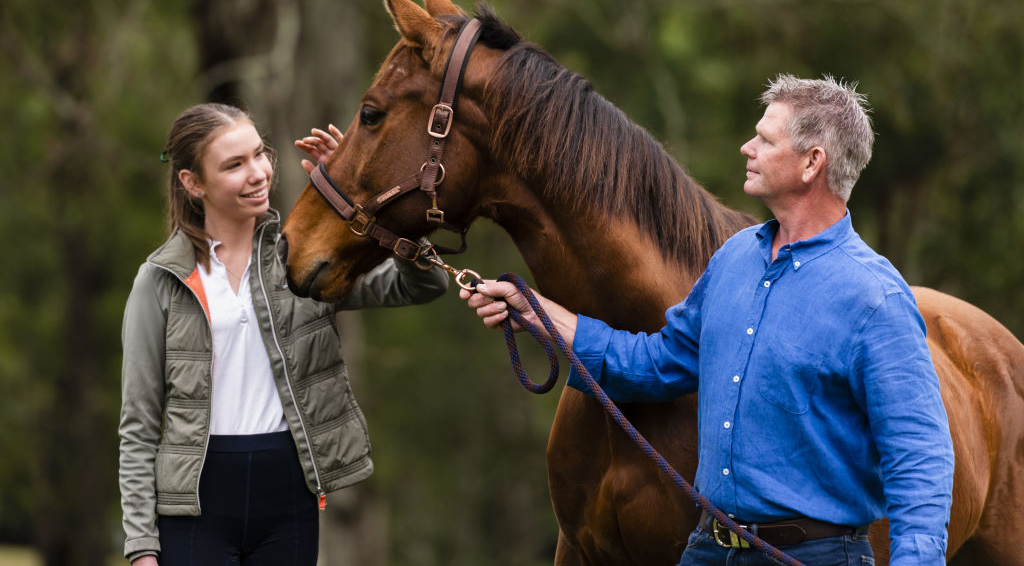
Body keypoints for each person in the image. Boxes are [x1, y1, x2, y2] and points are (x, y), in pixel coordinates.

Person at [462, 75, 954, 565]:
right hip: (708, 549)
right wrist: (541, 315)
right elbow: (657, 364)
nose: (748, 147)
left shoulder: (875, 298)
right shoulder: (734, 259)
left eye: (764, 139)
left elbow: (920, 460)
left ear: (811, 163)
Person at [119, 103, 449, 565]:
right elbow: (138, 426)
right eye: (235, 165)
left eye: (259, 154)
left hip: (288, 497)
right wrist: (140, 549)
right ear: (194, 183)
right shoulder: (159, 281)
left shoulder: (304, 261)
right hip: (194, 505)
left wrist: (361, 188)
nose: (258, 173)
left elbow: (424, 284)